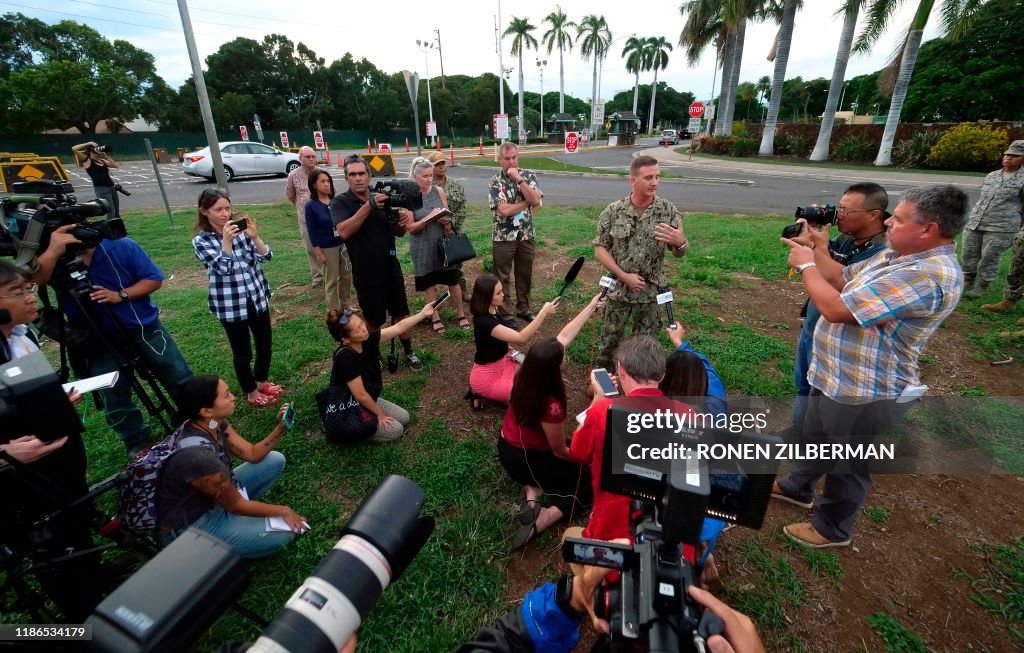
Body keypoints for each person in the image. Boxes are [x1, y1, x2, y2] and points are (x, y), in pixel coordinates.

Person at [773, 185, 968, 548]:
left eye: (900, 219)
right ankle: (796, 487)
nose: (890, 221)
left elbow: (836, 309)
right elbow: (841, 278)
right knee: (815, 437)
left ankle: (831, 529)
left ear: (929, 229)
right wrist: (816, 246)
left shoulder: (928, 274)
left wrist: (805, 267)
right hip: (833, 374)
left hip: (865, 388)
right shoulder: (898, 255)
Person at [0, 260, 101, 621]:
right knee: (53, 543)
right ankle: (80, 618)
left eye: (29, 289)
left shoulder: (22, 335)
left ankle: (93, 578)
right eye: (17, 292)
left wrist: (53, 397)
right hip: (23, 477)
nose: (31, 298)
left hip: (61, 456)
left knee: (78, 515)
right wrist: (5, 454)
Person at [33, 230, 194, 456]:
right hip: (94, 339)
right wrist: (52, 251)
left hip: (142, 327)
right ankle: (137, 442)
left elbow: (153, 279)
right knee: (114, 394)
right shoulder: (52, 256)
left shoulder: (120, 245)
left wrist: (121, 295)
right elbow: (31, 282)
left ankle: (197, 419)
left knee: (178, 375)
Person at [156, 375, 304, 558]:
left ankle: (236, 526)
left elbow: (251, 454)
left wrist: (280, 428)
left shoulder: (212, 423)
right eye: (226, 395)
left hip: (215, 499)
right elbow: (237, 506)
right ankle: (211, 543)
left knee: (274, 460)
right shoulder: (198, 458)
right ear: (206, 410)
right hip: (196, 524)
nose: (233, 397)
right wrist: (284, 511)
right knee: (286, 533)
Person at [501, 293, 605, 550]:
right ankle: (545, 518)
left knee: (572, 460)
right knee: (590, 482)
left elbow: (563, 337)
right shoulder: (551, 406)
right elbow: (561, 451)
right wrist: (597, 402)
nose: (565, 354)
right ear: (554, 368)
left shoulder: (523, 374)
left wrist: (590, 305)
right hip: (527, 458)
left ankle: (532, 493)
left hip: (506, 449)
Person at [570, 335, 696, 543]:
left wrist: (597, 399)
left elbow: (577, 452)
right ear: (662, 375)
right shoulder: (689, 415)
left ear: (620, 368)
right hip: (667, 537)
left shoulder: (603, 411)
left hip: (612, 533)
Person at [789, 183, 889, 427]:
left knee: (820, 392)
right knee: (804, 381)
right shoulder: (846, 238)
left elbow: (845, 286)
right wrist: (810, 235)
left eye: (846, 211)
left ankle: (812, 440)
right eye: (838, 208)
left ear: (874, 214)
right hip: (814, 325)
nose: (837, 215)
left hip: (840, 337)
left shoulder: (881, 252)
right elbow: (819, 269)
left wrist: (817, 249)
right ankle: (798, 429)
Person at [593, 155, 689, 369]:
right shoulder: (613, 211)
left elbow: (680, 251)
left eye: (657, 177)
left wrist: (680, 242)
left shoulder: (668, 211)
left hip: (650, 293)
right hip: (619, 290)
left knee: (646, 345)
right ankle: (602, 382)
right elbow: (600, 249)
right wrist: (623, 276)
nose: (655, 182)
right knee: (610, 341)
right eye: (648, 177)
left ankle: (639, 386)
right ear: (633, 180)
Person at [193, 189, 284, 408]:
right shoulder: (201, 241)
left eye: (228, 208)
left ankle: (261, 381)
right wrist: (227, 242)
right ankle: (251, 392)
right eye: (218, 209)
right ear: (204, 211)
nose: (225, 214)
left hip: (256, 295)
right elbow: (223, 268)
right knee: (242, 351)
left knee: (265, 343)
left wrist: (254, 236)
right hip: (230, 304)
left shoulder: (241, 232)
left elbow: (266, 256)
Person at [331, 155, 423, 371]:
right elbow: (343, 231)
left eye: (362, 173)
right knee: (373, 319)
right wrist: (369, 206)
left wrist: (400, 222)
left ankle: (408, 350)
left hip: (390, 265)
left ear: (369, 175)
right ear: (346, 178)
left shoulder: (383, 196)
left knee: (400, 312)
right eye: (352, 174)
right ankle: (373, 354)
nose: (358, 178)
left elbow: (398, 232)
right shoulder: (341, 202)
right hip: (365, 271)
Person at [325, 302, 436, 442]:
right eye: (357, 329)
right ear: (345, 339)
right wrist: (380, 415)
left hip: (367, 397)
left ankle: (370, 417)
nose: (364, 329)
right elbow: (359, 395)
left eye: (361, 323)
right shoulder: (346, 357)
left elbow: (398, 327)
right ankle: (356, 428)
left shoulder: (365, 339)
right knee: (396, 430)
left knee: (404, 417)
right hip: (350, 405)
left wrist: (422, 314)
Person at [466, 274, 559, 407]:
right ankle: (479, 391)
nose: (503, 295)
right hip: (487, 378)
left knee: (531, 370)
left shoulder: (491, 310)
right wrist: (543, 313)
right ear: (487, 297)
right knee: (528, 396)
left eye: (502, 290)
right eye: (498, 293)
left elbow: (489, 340)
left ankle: (498, 395)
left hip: (500, 364)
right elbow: (522, 338)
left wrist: (505, 347)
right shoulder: (485, 321)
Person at [406, 156, 468, 332]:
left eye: (430, 175)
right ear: (415, 177)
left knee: (452, 280)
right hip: (422, 245)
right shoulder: (410, 197)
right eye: (425, 176)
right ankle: (434, 315)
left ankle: (461, 313)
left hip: (442, 242)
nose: (429, 179)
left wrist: (445, 221)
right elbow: (410, 227)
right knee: (429, 282)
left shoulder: (439, 191)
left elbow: (446, 214)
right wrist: (429, 218)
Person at [488, 142, 543, 327]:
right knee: (502, 275)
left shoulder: (528, 176)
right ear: (500, 160)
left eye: (514, 158)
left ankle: (524, 309)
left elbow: (536, 200)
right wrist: (527, 202)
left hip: (526, 234)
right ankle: (505, 313)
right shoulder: (495, 181)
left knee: (524, 273)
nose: (511, 162)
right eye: (507, 159)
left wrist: (520, 180)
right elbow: (504, 210)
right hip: (503, 236)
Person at [962, 140, 1024, 298]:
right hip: (976, 221)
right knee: (969, 252)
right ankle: (967, 280)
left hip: (1002, 226)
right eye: (1007, 154)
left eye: (1014, 155)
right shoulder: (992, 176)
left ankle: (982, 285)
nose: (1008, 158)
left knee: (990, 256)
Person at [304, 168, 354, 313]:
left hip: (342, 243)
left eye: (328, 181)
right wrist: (318, 252)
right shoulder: (311, 206)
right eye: (322, 181)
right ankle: (334, 310)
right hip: (327, 247)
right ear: (314, 185)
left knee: (346, 275)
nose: (327, 184)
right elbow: (311, 231)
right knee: (331, 279)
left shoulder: (335, 201)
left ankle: (346, 305)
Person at [427, 150, 470, 300]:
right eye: (437, 165)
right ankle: (435, 294)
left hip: (452, 230)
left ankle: (462, 289)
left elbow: (462, 207)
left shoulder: (455, 185)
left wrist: (452, 225)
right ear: (431, 167)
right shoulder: (427, 186)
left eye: (443, 163)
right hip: (433, 231)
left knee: (457, 262)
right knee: (433, 263)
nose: (441, 167)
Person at [664, 324, 728, 419]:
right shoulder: (714, 405)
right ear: (702, 377)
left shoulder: (658, 407)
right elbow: (705, 368)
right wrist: (678, 342)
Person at [285, 146, 326, 289]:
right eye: (307, 156)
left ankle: (331, 273)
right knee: (311, 248)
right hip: (305, 219)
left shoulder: (322, 174)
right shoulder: (293, 175)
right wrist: (302, 206)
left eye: (313, 156)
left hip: (324, 217)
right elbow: (290, 195)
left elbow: (331, 192)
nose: (311, 159)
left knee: (327, 246)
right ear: (300, 158)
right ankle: (318, 277)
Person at [71, 140, 121, 221]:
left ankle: (118, 229)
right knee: (111, 211)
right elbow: (74, 148)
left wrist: (106, 157)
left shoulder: (102, 161)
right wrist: (89, 143)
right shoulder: (87, 160)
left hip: (111, 187)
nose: (97, 151)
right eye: (95, 150)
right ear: (90, 151)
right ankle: (111, 231)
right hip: (101, 189)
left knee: (116, 211)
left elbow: (116, 166)